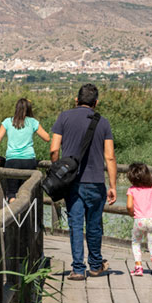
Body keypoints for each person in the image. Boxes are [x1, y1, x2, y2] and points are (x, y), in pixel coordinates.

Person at [50, 84, 117, 280]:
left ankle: (78, 269)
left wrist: (58, 171)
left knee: (76, 224)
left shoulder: (63, 117)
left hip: (72, 182)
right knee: (94, 225)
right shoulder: (103, 122)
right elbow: (110, 157)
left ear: (76, 100)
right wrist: (112, 186)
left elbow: (54, 150)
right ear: (96, 103)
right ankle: (96, 266)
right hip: (96, 181)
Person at [0, 98, 50, 201]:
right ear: (29, 109)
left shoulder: (7, 121)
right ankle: (26, 216)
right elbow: (47, 138)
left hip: (12, 161)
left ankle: (14, 215)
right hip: (29, 161)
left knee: (12, 193)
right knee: (27, 193)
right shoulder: (33, 122)